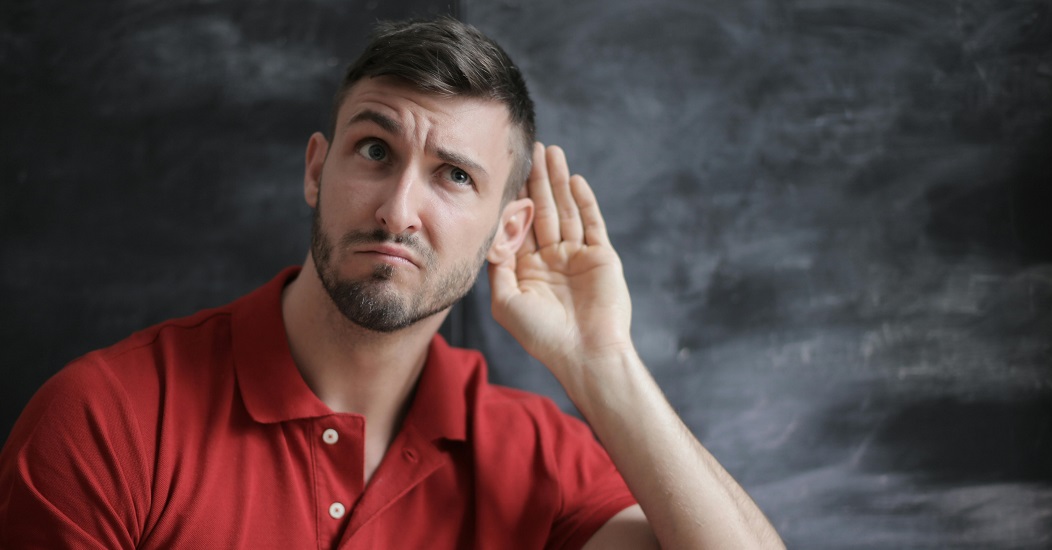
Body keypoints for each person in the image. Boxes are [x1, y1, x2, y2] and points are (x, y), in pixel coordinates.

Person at [0, 17, 784, 549]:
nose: (398, 208)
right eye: (375, 151)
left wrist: (602, 361)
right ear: (318, 168)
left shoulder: (536, 459)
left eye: (453, 175)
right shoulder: (107, 420)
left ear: (507, 230)